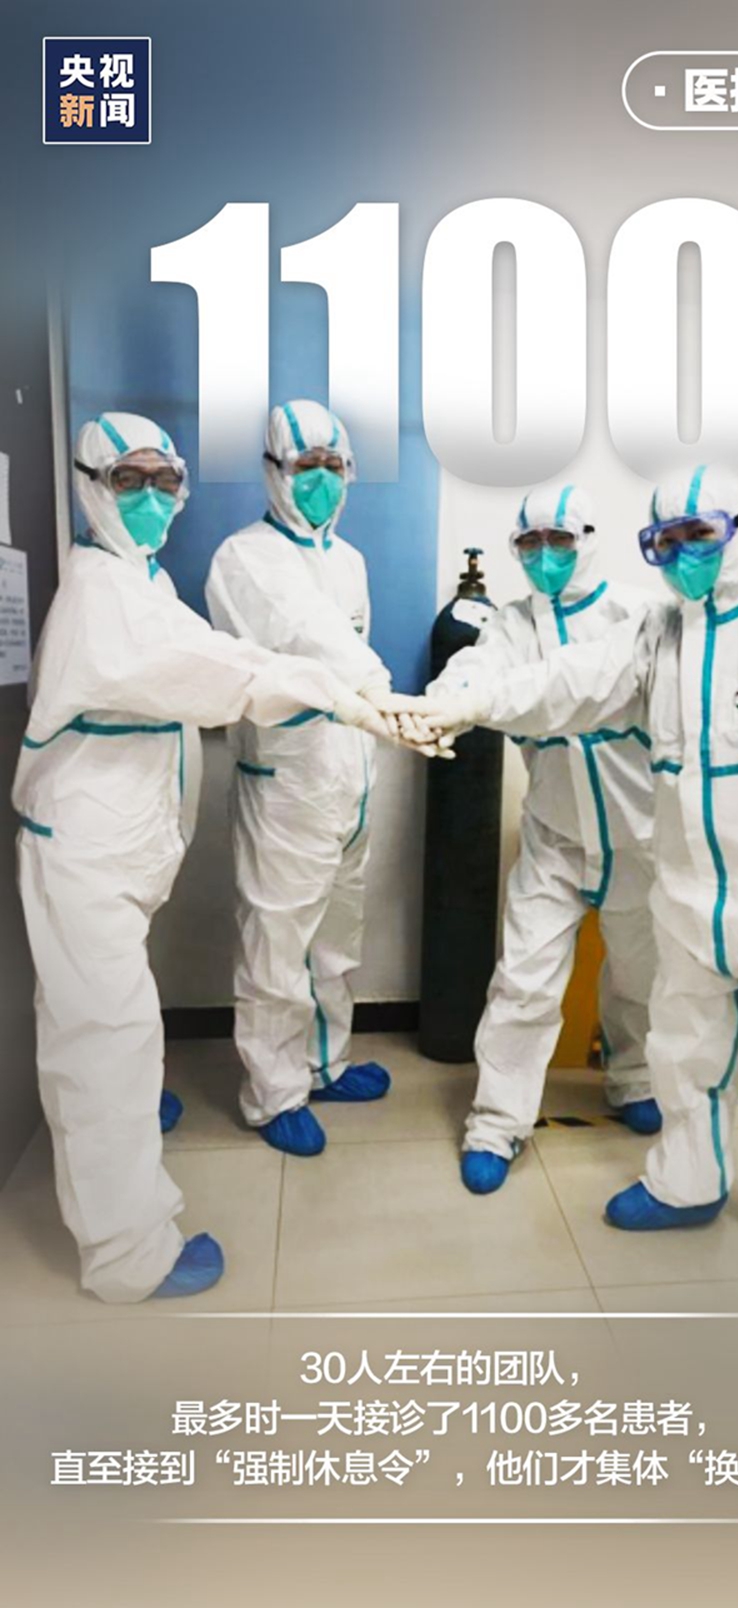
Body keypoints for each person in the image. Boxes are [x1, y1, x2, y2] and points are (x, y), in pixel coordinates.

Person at [422, 466, 738, 1288]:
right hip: (689, 891)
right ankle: (688, 1183)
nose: (682, 555)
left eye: (697, 536)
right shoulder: (658, 634)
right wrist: (463, 703)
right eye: (664, 542)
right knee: (686, 1049)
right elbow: (571, 682)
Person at [13, 411, 406, 1305]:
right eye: (129, 480)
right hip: (92, 846)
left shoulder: (138, 580)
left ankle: (128, 1121)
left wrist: (347, 698)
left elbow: (215, 656)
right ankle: (128, 1254)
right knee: (104, 1038)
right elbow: (223, 670)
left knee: (108, 1026)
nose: (151, 498)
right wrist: (350, 694)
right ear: (88, 485)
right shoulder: (104, 594)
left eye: (165, 481)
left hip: (123, 844)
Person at [426, 484, 660, 1195]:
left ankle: (635, 1077)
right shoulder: (511, 624)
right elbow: (476, 668)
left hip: (638, 833)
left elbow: (576, 690)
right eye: (529, 543)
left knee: (640, 974)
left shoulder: (638, 615)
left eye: (560, 539)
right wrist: (444, 701)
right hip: (554, 837)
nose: (545, 555)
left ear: (588, 539)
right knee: (523, 981)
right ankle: (496, 1124)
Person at [205, 400, 402, 1158]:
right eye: (304, 465)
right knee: (276, 943)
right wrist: (381, 690)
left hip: (348, 777)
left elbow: (347, 645)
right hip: (285, 779)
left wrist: (373, 714)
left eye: (332, 465)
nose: (320, 479)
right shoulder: (244, 558)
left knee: (335, 936)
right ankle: (274, 1091)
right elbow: (308, 636)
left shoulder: (349, 561)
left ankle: (326, 1061)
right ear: (272, 470)